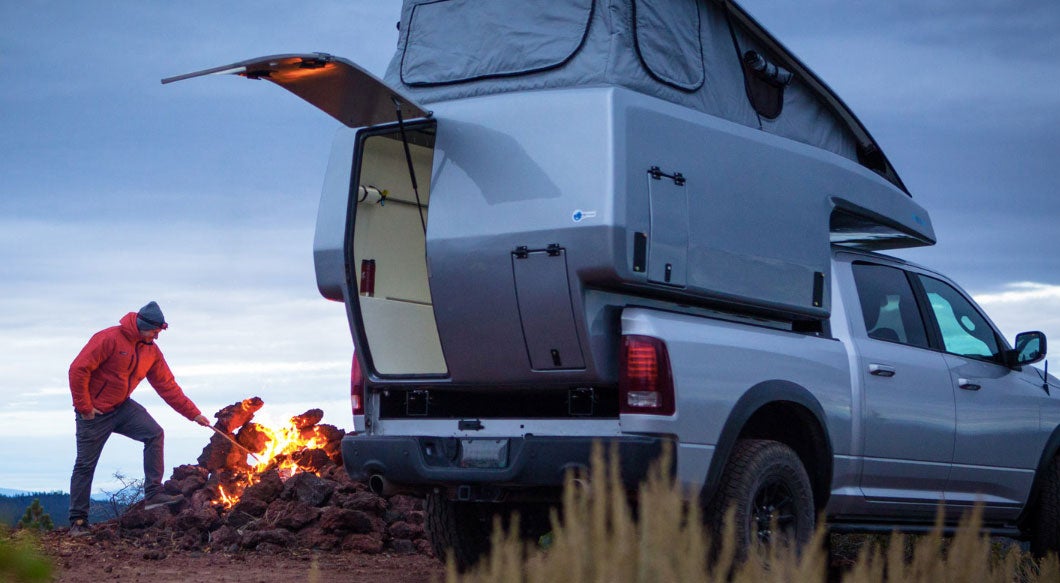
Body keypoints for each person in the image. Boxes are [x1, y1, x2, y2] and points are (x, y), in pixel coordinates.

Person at [67, 301, 210, 536]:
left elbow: (167, 386)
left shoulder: (151, 350)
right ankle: (78, 522)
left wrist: (193, 414)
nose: (157, 336)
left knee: (155, 434)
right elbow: (78, 369)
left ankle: (153, 494)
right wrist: (84, 407)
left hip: (121, 407)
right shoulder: (109, 339)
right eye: (155, 331)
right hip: (94, 413)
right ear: (143, 325)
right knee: (85, 465)